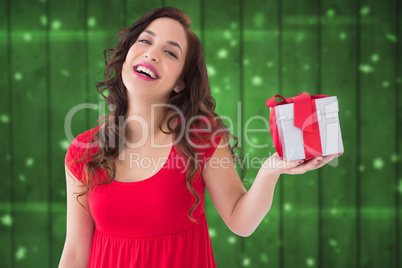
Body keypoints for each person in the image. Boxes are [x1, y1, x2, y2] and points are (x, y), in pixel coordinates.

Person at [58, 7, 341, 268]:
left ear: (181, 81)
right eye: (145, 41)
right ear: (128, 53)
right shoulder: (83, 151)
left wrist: (271, 170)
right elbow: (74, 252)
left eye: (171, 52)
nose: (152, 54)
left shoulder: (200, 138)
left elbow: (241, 222)